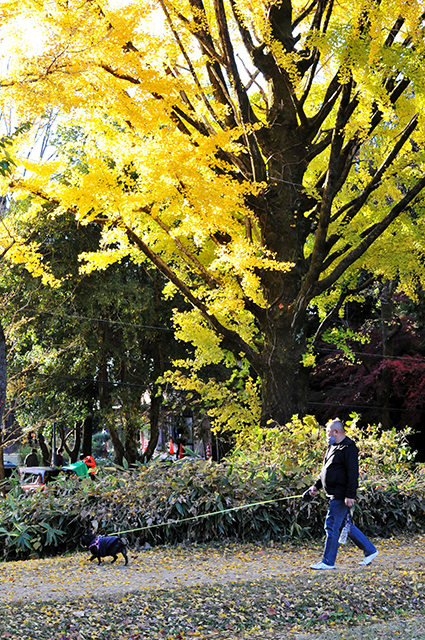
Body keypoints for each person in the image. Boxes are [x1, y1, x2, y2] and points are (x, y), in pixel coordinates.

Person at [308, 418, 379, 570]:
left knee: (332, 526)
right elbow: (325, 471)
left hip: (341, 494)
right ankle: (370, 550)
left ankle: (327, 562)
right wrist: (316, 486)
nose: (326, 435)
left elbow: (353, 473)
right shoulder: (333, 446)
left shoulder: (349, 448)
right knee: (345, 526)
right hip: (333, 493)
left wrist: (350, 495)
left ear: (336, 432)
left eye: (328, 432)